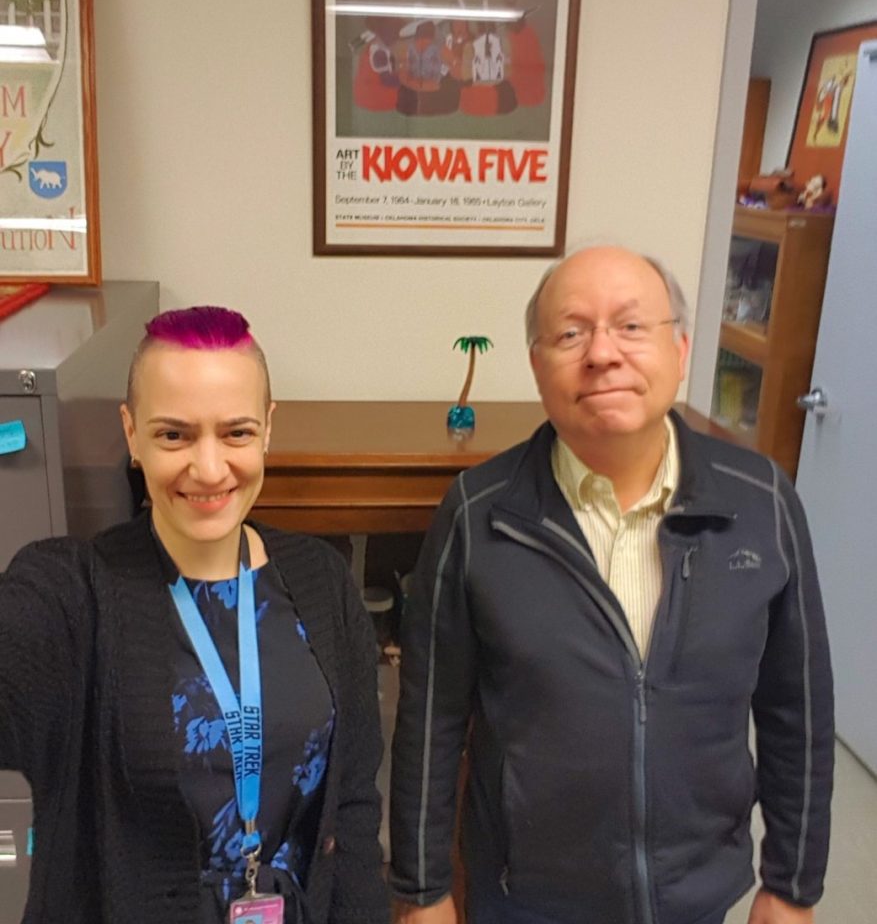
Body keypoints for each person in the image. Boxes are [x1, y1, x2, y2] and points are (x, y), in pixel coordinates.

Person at [390, 247, 833, 924]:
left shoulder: (761, 502)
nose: (602, 353)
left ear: (680, 350)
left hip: (696, 890)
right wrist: (421, 892)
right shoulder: (480, 514)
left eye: (631, 326)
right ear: (537, 364)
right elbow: (430, 717)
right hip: (524, 893)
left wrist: (791, 885)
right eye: (569, 333)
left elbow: (795, 709)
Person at [0, 306, 389, 924]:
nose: (209, 470)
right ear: (130, 433)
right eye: (173, 435)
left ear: (267, 428)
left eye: (235, 432)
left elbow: (355, 806)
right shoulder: (71, 593)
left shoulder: (321, 578)